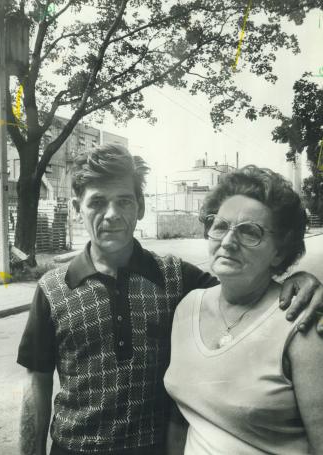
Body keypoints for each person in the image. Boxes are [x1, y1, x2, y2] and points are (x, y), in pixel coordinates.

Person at [17, 147, 323, 455]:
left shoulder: (175, 278)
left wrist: (300, 282)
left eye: (123, 200)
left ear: (140, 207)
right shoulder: (52, 289)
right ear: (76, 208)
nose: (111, 214)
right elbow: (37, 386)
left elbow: (244, 283)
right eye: (97, 201)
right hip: (73, 449)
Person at [164, 165, 323, 454]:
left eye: (250, 232)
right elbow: (182, 415)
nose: (227, 242)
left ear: (279, 251)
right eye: (220, 226)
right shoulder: (188, 306)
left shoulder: (302, 321)